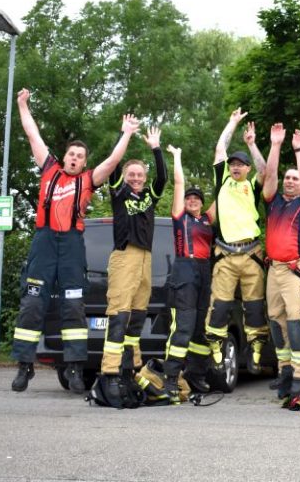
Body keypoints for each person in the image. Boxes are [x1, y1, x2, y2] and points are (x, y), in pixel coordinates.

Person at [11, 88, 140, 393]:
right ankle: (23, 366)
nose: (75, 159)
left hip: (71, 247)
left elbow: (112, 162)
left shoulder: (88, 180)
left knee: (73, 306)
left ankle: (73, 367)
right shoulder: (49, 169)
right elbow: (32, 134)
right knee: (32, 303)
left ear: (84, 163)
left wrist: (126, 134)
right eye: (72, 154)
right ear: (65, 156)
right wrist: (22, 104)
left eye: (80, 157)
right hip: (43, 244)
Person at [98, 126, 167, 398]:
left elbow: (162, 176)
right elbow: (114, 162)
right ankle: (110, 372)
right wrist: (125, 134)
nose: (136, 178)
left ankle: (130, 368)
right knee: (119, 315)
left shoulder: (149, 196)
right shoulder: (118, 192)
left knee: (137, 317)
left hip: (145, 259)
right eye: (132, 175)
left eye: (140, 174)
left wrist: (156, 148)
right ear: (125, 177)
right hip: (124, 257)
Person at [205, 111, 269, 375]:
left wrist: (252, 144)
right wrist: (232, 123)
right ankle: (216, 351)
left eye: (240, 164)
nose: (235, 166)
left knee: (254, 306)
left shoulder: (252, 185)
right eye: (233, 163)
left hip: (251, 252)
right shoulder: (223, 182)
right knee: (219, 305)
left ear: (247, 168)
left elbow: (266, 171)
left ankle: (255, 352)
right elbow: (220, 148)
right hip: (226, 254)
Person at [262, 123, 300, 400]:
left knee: (297, 321)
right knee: (276, 320)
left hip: (297, 268)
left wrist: (298, 150)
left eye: (294, 178)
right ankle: (286, 370)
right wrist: (275, 145)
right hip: (274, 269)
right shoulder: (272, 201)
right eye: (288, 178)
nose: (290, 181)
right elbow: (269, 175)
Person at [162, 145, 217, 402]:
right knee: (183, 326)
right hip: (184, 268)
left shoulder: (207, 219)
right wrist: (177, 157)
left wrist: (224, 159)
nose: (192, 200)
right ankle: (171, 378)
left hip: (205, 271)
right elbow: (178, 182)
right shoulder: (179, 217)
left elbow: (224, 193)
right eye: (189, 198)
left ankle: (196, 374)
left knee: (200, 328)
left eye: (196, 198)